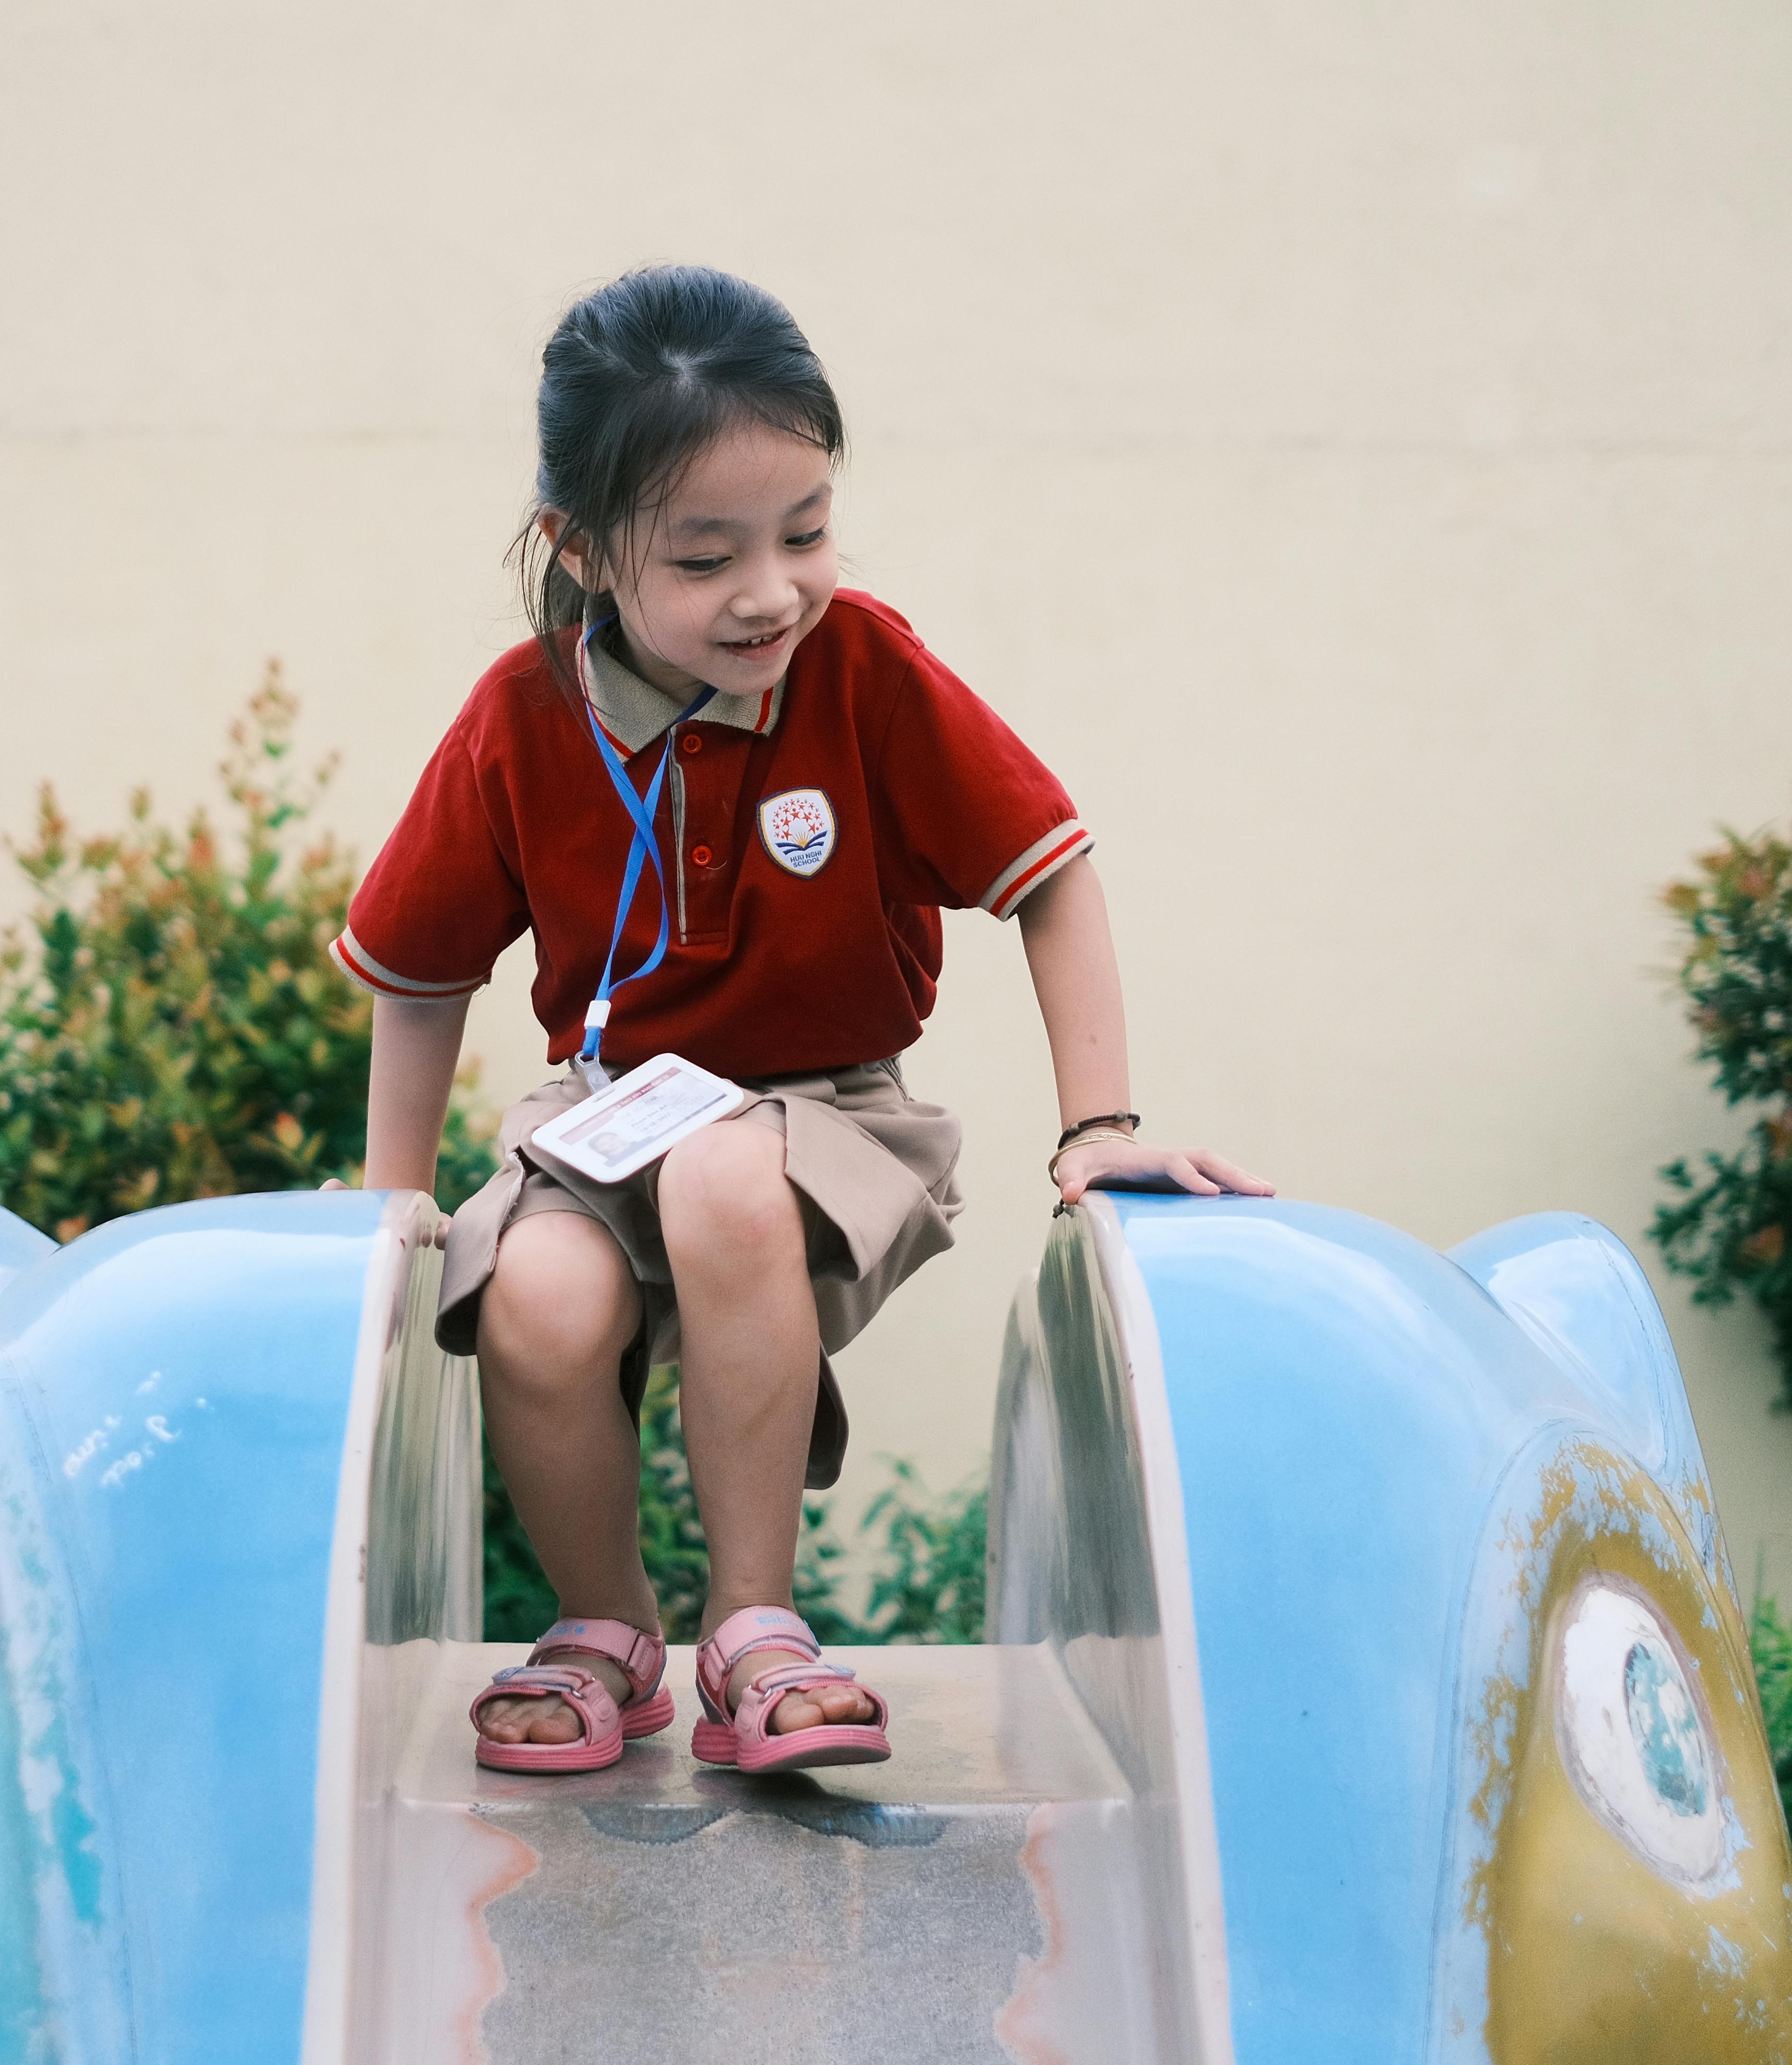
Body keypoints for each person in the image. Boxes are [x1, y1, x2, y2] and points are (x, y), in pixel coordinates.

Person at [336, 265, 1272, 1777]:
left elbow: (1054, 873)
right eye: (707, 557)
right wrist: (393, 1200)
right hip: (607, 1113)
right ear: (580, 552)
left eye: (807, 531)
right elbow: (419, 965)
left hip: (829, 1109)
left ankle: (756, 1632)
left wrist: (1098, 1127)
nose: (771, 589)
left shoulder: (864, 673)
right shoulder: (524, 717)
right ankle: (608, 1631)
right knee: (538, 1298)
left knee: (721, 1171)